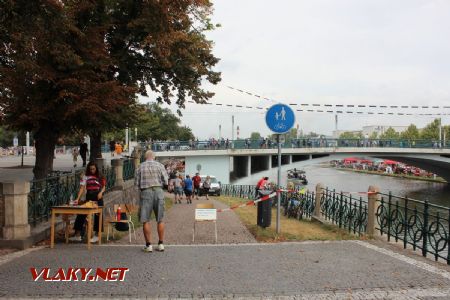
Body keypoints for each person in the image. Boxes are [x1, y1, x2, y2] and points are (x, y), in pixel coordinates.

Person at [135, 150, 168, 252]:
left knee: (145, 220)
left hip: (146, 192)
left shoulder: (140, 167)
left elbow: (136, 184)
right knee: (160, 219)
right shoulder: (160, 165)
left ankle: (148, 245)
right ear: (154, 157)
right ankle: (161, 244)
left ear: (145, 157)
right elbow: (166, 181)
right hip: (158, 191)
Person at [69, 162, 106, 243]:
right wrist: (77, 199)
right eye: (90, 169)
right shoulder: (85, 177)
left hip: (98, 197)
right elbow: (82, 188)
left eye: (93, 169)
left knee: (98, 216)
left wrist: (101, 193)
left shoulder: (100, 176)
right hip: (89, 197)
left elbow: (104, 187)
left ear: (96, 168)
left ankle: (97, 235)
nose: (92, 170)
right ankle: (77, 235)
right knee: (81, 214)